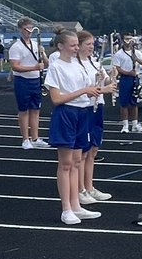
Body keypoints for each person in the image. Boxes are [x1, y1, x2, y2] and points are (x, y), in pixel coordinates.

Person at [45, 29, 107, 225]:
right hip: (66, 114)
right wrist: (84, 91)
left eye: (76, 45)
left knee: (76, 162)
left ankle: (76, 205)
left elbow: (88, 90)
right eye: (72, 45)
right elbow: (56, 99)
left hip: (82, 113)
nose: (76, 48)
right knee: (65, 164)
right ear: (61, 46)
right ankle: (66, 209)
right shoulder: (56, 67)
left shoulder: (78, 65)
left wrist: (98, 88)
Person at [77, 30, 114, 205]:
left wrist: (111, 77)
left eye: (93, 44)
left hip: (98, 105)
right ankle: (80, 189)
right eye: (88, 44)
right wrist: (102, 88)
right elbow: (84, 89)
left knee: (93, 149)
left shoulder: (94, 62)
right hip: (85, 107)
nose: (92, 47)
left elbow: (106, 82)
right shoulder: (77, 64)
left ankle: (89, 187)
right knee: (83, 151)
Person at [8, 18, 50, 150]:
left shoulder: (35, 44)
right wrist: (34, 68)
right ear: (21, 29)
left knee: (36, 109)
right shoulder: (16, 47)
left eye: (31, 28)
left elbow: (46, 63)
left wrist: (42, 53)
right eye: (27, 28)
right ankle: (25, 139)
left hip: (35, 80)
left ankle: (35, 138)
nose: (29, 31)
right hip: (23, 81)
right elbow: (15, 66)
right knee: (24, 110)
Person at [113, 33, 142, 132]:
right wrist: (129, 73)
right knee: (124, 102)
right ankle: (125, 125)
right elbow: (117, 68)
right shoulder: (119, 54)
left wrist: (136, 59)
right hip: (125, 79)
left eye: (130, 39)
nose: (128, 41)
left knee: (134, 102)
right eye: (126, 39)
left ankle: (135, 124)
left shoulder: (137, 52)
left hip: (135, 79)